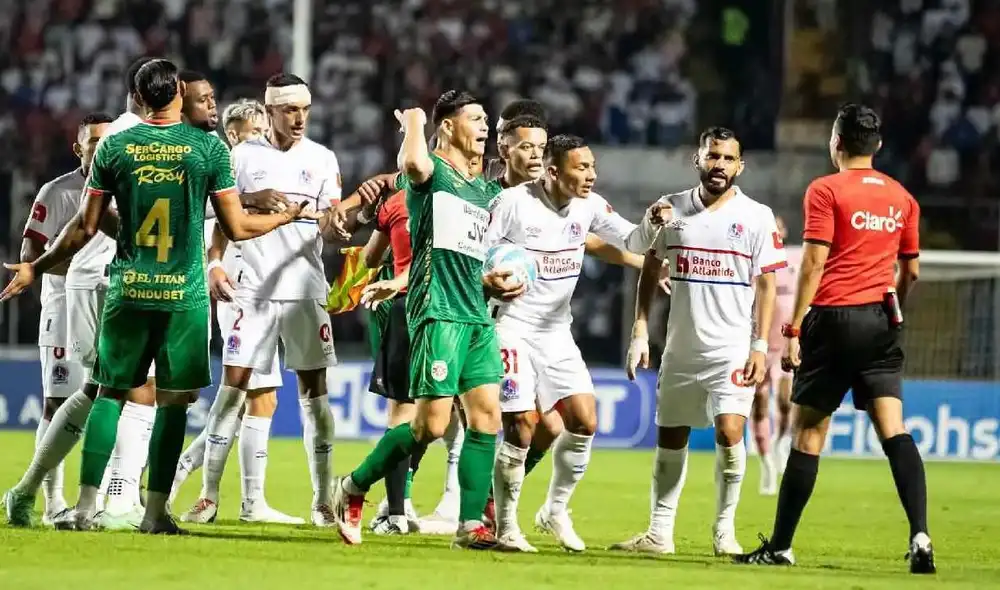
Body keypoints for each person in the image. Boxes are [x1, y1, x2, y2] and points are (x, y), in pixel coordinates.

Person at [1, 58, 316, 534]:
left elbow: (85, 225)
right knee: (172, 400)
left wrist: (36, 266)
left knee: (107, 393)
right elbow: (236, 227)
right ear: (176, 96)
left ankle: (85, 506)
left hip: (126, 289)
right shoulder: (206, 148)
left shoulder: (116, 146)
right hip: (181, 295)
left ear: (138, 98)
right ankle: (152, 512)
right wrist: (286, 216)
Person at [734, 104, 934, 574]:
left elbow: (813, 264)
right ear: (878, 146)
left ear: (836, 143)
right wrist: (895, 307)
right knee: (894, 429)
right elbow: (913, 271)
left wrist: (795, 327)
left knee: (808, 432)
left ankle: (781, 545)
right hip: (881, 320)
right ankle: (921, 535)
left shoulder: (825, 189)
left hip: (833, 318)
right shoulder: (903, 197)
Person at [329, 90, 522, 549]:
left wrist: (494, 278)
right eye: (475, 118)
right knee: (429, 427)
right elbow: (413, 161)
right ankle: (353, 486)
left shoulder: (483, 190)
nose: (484, 126)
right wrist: (415, 120)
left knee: (486, 419)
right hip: (436, 311)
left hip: (476, 315)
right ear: (449, 127)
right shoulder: (431, 177)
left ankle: (470, 524)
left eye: (487, 120)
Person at [1, 56, 161, 530]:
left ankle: (78, 496)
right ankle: (82, 500)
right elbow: (56, 239)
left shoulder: (129, 165)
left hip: (114, 288)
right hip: (82, 294)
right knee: (95, 393)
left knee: (111, 391)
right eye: (94, 142)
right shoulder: (66, 185)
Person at [612, 127, 785, 556]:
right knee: (671, 438)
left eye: (728, 159)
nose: (719, 166)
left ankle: (724, 532)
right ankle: (658, 534)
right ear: (698, 160)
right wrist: (639, 329)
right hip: (680, 348)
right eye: (713, 157)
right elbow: (645, 263)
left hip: (730, 349)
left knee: (730, 432)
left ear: (740, 166)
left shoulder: (757, 216)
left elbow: (766, 285)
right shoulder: (669, 208)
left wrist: (760, 346)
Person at [487, 134, 661, 552]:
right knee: (522, 426)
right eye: (581, 168)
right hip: (511, 325)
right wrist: (488, 277)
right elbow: (478, 251)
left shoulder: (590, 206)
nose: (591, 175)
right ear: (552, 171)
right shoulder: (513, 203)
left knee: (584, 421)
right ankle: (505, 526)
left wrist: (654, 220)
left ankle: (553, 510)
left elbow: (634, 239)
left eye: (592, 167)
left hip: (555, 331)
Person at [193, 74, 341, 527]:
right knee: (233, 390)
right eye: (289, 110)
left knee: (315, 395)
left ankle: (321, 500)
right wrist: (213, 264)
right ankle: (209, 496)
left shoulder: (323, 159)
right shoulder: (240, 155)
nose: (299, 119)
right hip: (250, 289)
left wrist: (339, 226)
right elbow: (216, 214)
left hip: (304, 290)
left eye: (304, 110)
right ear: (270, 110)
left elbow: (331, 223)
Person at [169, 98, 270, 510]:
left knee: (260, 397)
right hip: (235, 285)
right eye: (253, 131)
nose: (261, 139)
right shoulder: (222, 168)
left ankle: (245, 497)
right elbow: (221, 225)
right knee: (240, 390)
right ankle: (210, 489)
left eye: (264, 131)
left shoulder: (260, 168)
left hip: (264, 288)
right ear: (233, 135)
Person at [17, 112, 113, 525]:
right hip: (62, 309)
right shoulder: (58, 192)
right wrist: (78, 268)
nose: (102, 147)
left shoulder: (124, 188)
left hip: (108, 307)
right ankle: (52, 499)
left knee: (105, 400)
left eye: (108, 140)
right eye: (94, 142)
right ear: (79, 148)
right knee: (57, 403)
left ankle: (107, 497)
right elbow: (29, 254)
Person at [752, 215, 801, 495]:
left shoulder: (795, 258)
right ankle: (766, 463)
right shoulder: (755, 263)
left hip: (785, 344)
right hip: (761, 345)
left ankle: (782, 444)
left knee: (785, 401)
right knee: (759, 403)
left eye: (780, 226)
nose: (777, 231)